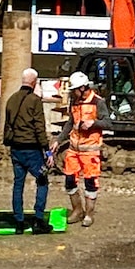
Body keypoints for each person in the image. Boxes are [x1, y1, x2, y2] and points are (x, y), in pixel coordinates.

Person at [56, 70, 113, 228]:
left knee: (90, 183)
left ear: (82, 88)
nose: (73, 93)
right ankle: (77, 210)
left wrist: (93, 123)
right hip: (74, 149)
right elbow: (70, 123)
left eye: (74, 89)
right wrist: (59, 140)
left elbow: (108, 123)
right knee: (69, 181)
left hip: (90, 150)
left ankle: (89, 214)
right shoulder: (74, 102)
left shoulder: (98, 102)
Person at [2, 66, 53, 233]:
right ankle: (38, 220)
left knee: (18, 184)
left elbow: (7, 125)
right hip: (32, 149)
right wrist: (47, 151)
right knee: (42, 181)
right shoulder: (35, 100)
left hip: (16, 149)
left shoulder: (11, 99)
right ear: (34, 82)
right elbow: (39, 128)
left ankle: (19, 223)